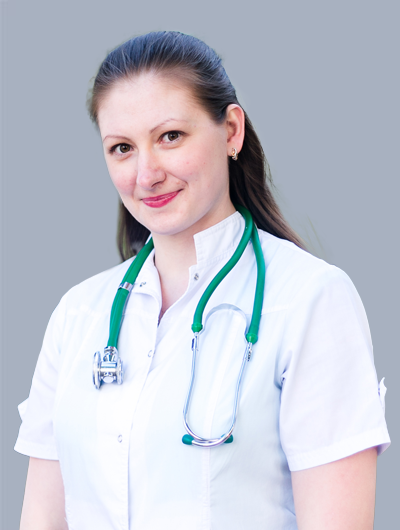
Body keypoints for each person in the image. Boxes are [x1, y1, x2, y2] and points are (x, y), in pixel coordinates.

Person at [15, 31, 390, 530]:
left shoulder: (310, 300)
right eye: (122, 148)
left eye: (170, 136)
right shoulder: (78, 314)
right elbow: (41, 520)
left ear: (231, 130)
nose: (146, 174)